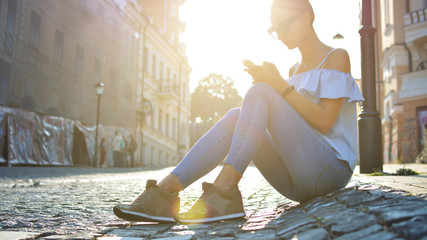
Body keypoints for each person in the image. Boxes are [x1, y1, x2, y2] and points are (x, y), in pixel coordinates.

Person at [113, 0, 364, 224]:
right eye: (274, 30)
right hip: (296, 182)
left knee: (261, 92)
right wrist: (267, 96)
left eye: (284, 25)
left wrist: (276, 86)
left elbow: (323, 121)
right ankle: (166, 192)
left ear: (306, 15)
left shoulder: (336, 56)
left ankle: (224, 189)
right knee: (236, 115)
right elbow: (293, 133)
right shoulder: (294, 69)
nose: (280, 34)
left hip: (331, 170)